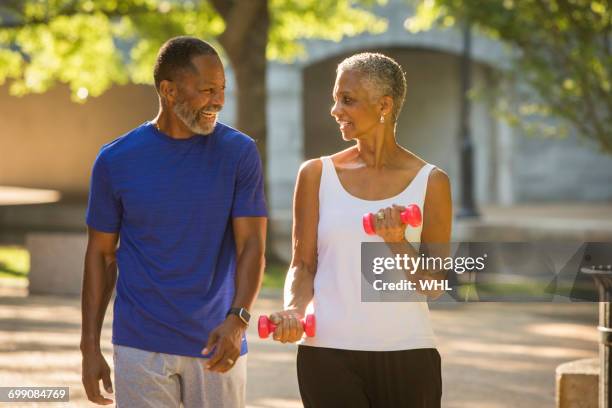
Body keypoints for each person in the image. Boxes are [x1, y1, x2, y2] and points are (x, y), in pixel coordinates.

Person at [80, 36, 267, 407]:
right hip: (139, 345)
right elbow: (101, 255)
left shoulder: (239, 153)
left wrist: (238, 320)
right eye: (207, 90)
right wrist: (89, 347)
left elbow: (252, 246)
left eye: (222, 89)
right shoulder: (116, 160)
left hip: (218, 341)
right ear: (168, 90)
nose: (219, 101)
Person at [269, 52, 452, 407]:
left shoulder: (431, 182)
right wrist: (293, 309)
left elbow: (434, 286)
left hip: (407, 352)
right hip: (327, 353)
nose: (335, 110)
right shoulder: (315, 174)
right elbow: (302, 264)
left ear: (384, 105)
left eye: (347, 100)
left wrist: (397, 243)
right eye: (336, 98)